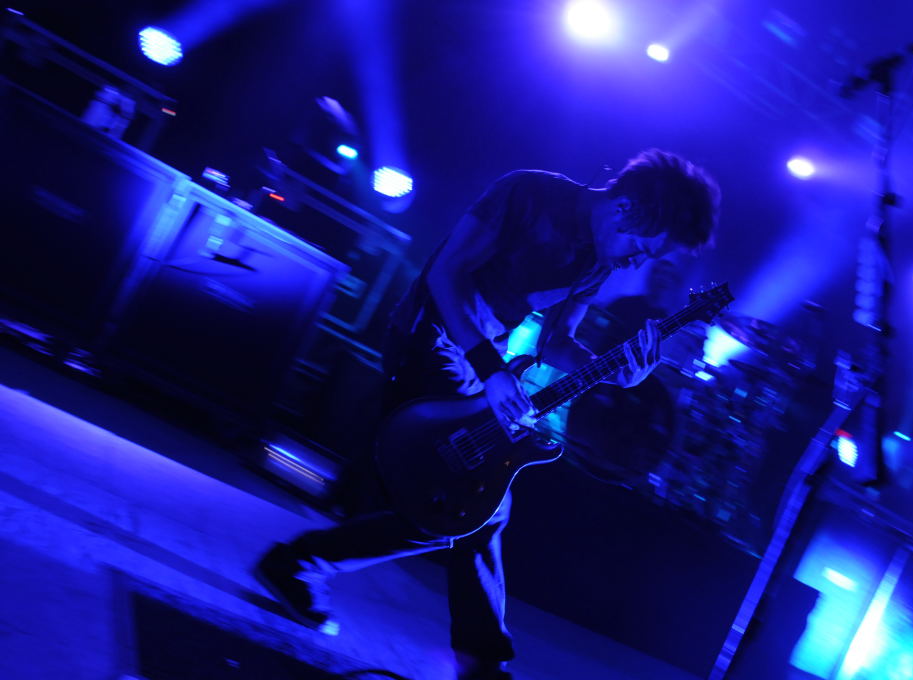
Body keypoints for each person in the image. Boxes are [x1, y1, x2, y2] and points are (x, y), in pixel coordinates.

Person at [255, 148, 720, 679]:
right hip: (428, 339)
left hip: (480, 366)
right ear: (625, 208)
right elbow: (445, 275)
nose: (637, 263)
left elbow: (556, 342)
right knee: (479, 506)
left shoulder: (597, 264)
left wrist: (617, 371)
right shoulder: (528, 192)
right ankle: (479, 664)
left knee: (459, 510)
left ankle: (299, 565)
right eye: (642, 247)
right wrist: (491, 370)